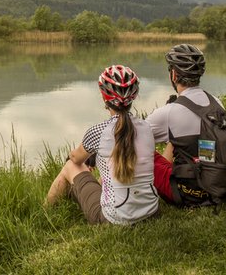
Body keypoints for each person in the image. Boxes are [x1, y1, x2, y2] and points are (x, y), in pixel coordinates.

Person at [44, 65, 159, 225]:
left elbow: (76, 159)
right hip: (150, 211)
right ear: (135, 96)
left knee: (70, 166)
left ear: (104, 97)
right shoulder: (146, 128)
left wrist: (78, 157)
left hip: (114, 218)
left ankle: (45, 214)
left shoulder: (99, 131)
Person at [146, 43, 220, 207]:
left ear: (173, 75)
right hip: (216, 185)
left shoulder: (169, 112)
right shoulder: (217, 103)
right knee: (187, 139)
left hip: (186, 193)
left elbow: (130, 140)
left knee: (137, 151)